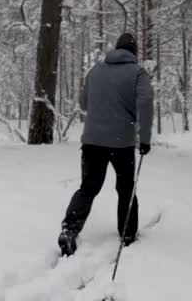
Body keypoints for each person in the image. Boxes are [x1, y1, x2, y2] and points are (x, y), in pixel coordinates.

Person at [58, 33, 154, 256]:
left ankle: (69, 230)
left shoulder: (96, 71)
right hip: (122, 143)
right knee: (126, 188)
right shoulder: (138, 73)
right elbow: (146, 103)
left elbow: (83, 103)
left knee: (88, 187)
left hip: (92, 141)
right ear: (134, 52)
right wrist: (145, 139)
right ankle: (127, 234)